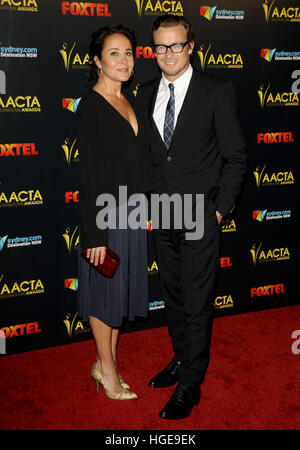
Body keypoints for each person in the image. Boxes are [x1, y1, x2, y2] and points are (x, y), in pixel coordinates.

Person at [135, 15, 248, 419]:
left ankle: (191, 384)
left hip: (201, 214)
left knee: (198, 301)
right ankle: (182, 359)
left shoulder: (216, 91)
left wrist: (219, 210)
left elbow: (235, 156)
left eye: (175, 45)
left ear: (191, 46)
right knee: (175, 296)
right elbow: (148, 157)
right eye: (159, 47)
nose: (167, 54)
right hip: (162, 214)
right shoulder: (145, 93)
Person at [76, 25, 152, 400]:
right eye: (113, 54)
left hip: (133, 215)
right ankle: (107, 371)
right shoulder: (91, 107)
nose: (123, 60)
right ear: (97, 61)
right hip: (106, 218)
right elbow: (89, 176)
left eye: (128, 53)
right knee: (103, 295)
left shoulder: (128, 100)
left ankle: (104, 362)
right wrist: (94, 237)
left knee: (117, 297)